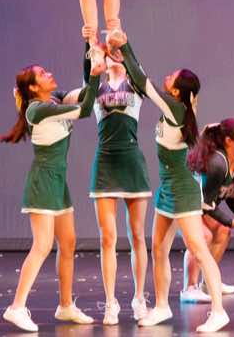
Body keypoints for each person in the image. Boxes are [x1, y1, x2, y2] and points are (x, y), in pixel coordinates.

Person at [107, 29, 229, 333]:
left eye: (172, 77)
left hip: (184, 190)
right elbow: (139, 79)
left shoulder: (175, 108)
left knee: (198, 249)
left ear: (178, 90)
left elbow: (143, 82)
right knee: (158, 248)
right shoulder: (173, 108)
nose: (167, 77)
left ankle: (218, 311)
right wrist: (122, 56)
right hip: (167, 189)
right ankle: (161, 306)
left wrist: (126, 45)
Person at [0, 47, 104, 332]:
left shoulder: (54, 99)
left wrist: (90, 50)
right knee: (43, 245)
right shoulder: (37, 109)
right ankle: (16, 307)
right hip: (43, 182)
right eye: (43, 74)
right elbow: (85, 109)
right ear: (34, 87)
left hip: (58, 182)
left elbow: (85, 93)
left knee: (68, 242)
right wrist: (96, 74)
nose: (50, 74)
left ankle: (65, 305)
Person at [86, 43, 151, 324]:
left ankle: (139, 298)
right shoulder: (96, 87)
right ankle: (110, 302)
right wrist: (89, 41)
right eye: (108, 52)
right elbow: (88, 70)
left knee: (137, 235)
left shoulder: (136, 85)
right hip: (105, 164)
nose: (112, 55)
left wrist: (122, 41)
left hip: (132, 162)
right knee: (107, 238)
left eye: (117, 52)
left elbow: (134, 63)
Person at [181, 119, 234, 303]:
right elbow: (206, 205)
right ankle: (190, 288)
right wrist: (231, 221)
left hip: (199, 206)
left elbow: (231, 196)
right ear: (229, 141)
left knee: (223, 231)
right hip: (182, 204)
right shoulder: (217, 164)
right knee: (202, 237)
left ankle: (208, 282)